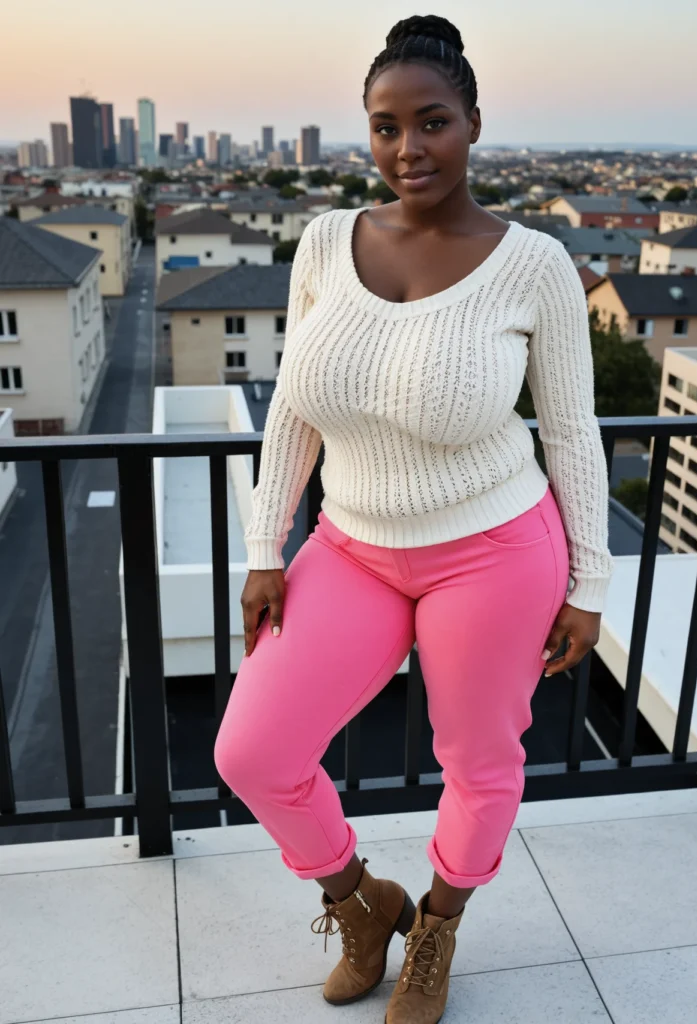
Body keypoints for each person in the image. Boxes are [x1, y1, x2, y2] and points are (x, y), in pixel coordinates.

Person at [214, 13, 613, 1023]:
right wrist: (266, 548)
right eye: (384, 127)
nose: (407, 149)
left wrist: (590, 586)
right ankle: (360, 902)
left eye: (430, 122)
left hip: (491, 552)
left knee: (477, 761)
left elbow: (570, 437)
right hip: (347, 543)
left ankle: (434, 927)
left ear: (472, 124)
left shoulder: (534, 263)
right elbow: (293, 406)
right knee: (251, 751)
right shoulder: (320, 243)